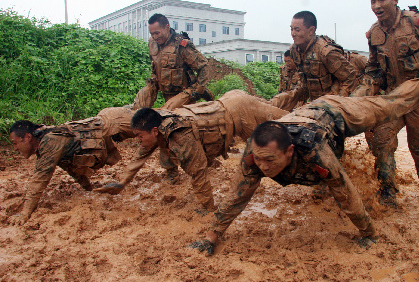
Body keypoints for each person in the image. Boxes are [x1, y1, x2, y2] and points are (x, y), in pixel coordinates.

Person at [190, 76, 419, 255]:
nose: (262, 166)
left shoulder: (312, 150)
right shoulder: (256, 154)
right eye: (259, 159)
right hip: (305, 113)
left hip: (337, 112)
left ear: (290, 152)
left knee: (390, 105)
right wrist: (211, 237)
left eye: (270, 161)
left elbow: (343, 190)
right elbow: (237, 195)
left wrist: (368, 233)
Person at [95, 90, 289, 213]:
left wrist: (209, 207)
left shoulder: (179, 135)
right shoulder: (155, 121)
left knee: (289, 124)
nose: (138, 141)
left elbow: (198, 172)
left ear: (154, 131)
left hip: (240, 110)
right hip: (229, 102)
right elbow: (140, 155)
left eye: (139, 136)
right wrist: (121, 182)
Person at [354, 0, 419, 205]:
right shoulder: (374, 33)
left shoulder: (417, 23)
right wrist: (365, 89)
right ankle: (387, 192)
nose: (376, 5)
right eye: (373, 1)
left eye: (381, 0)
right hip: (393, 98)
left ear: (394, 0)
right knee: (382, 140)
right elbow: (374, 67)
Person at [8, 107, 136, 225]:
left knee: (153, 122)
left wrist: (25, 213)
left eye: (15, 143)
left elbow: (40, 178)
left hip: (113, 121)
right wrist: (88, 187)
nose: (15, 148)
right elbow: (71, 167)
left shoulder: (49, 141)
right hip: (108, 128)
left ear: (28, 137)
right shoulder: (48, 144)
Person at [267, 11, 359, 111]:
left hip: (331, 102)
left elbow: (349, 77)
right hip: (313, 101)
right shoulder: (295, 50)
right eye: (291, 29)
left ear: (311, 30)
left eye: (297, 30)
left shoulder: (326, 51)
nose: (293, 34)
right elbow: (304, 84)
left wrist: (337, 102)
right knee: (279, 100)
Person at [132, 13, 214, 111]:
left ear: (167, 27)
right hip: (162, 87)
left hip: (183, 91)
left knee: (166, 114)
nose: (154, 37)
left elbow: (203, 66)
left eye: (157, 33)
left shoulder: (182, 45)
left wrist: (199, 90)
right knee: (136, 108)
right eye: (152, 34)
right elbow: (155, 66)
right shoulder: (152, 43)